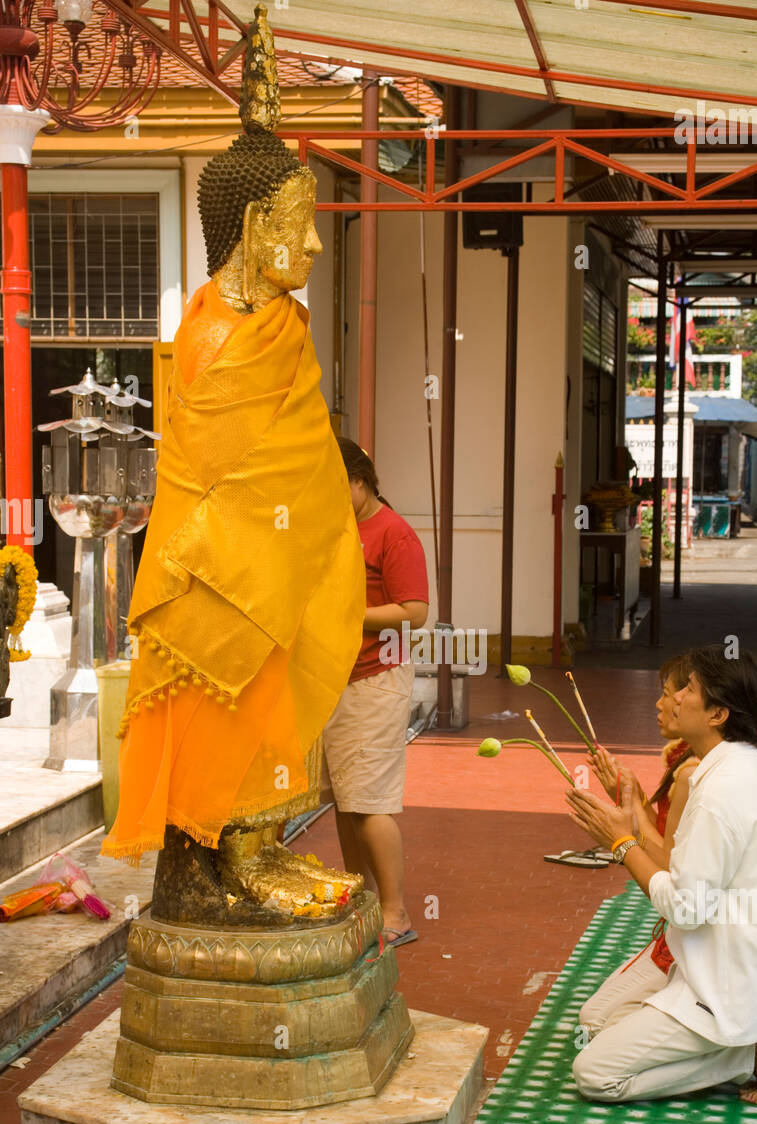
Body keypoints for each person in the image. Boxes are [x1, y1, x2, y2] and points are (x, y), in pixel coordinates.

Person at [101, 11, 366, 925]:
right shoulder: (214, 334)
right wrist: (264, 555)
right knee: (226, 702)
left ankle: (253, 845)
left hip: (270, 574)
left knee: (266, 714)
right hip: (216, 582)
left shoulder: (280, 328)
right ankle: (217, 855)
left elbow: (297, 475)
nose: (318, 246)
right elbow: (224, 483)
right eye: (303, 225)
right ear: (256, 225)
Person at [566, 645, 757, 1105]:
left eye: (687, 689)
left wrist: (622, 845)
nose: (672, 698)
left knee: (595, 1074)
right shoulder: (745, 767)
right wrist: (631, 817)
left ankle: (739, 1053)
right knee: (600, 1022)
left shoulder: (719, 790)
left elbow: (686, 907)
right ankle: (753, 1035)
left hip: (724, 987)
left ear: (718, 713)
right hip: (727, 971)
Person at [322, 438, 429, 946]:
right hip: (334, 678)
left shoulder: (393, 534)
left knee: (369, 803)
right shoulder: (336, 527)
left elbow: (414, 613)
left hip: (376, 679)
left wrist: (348, 616)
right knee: (346, 802)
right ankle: (360, 902)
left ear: (359, 482)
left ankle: (396, 914)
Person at [578, 654, 699, 1034]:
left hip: (690, 937)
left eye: (667, 694)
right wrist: (625, 794)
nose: (659, 704)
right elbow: (662, 831)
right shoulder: (685, 758)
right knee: (594, 1019)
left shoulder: (693, 774)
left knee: (595, 1024)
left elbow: (667, 864)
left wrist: (621, 839)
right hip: (680, 930)